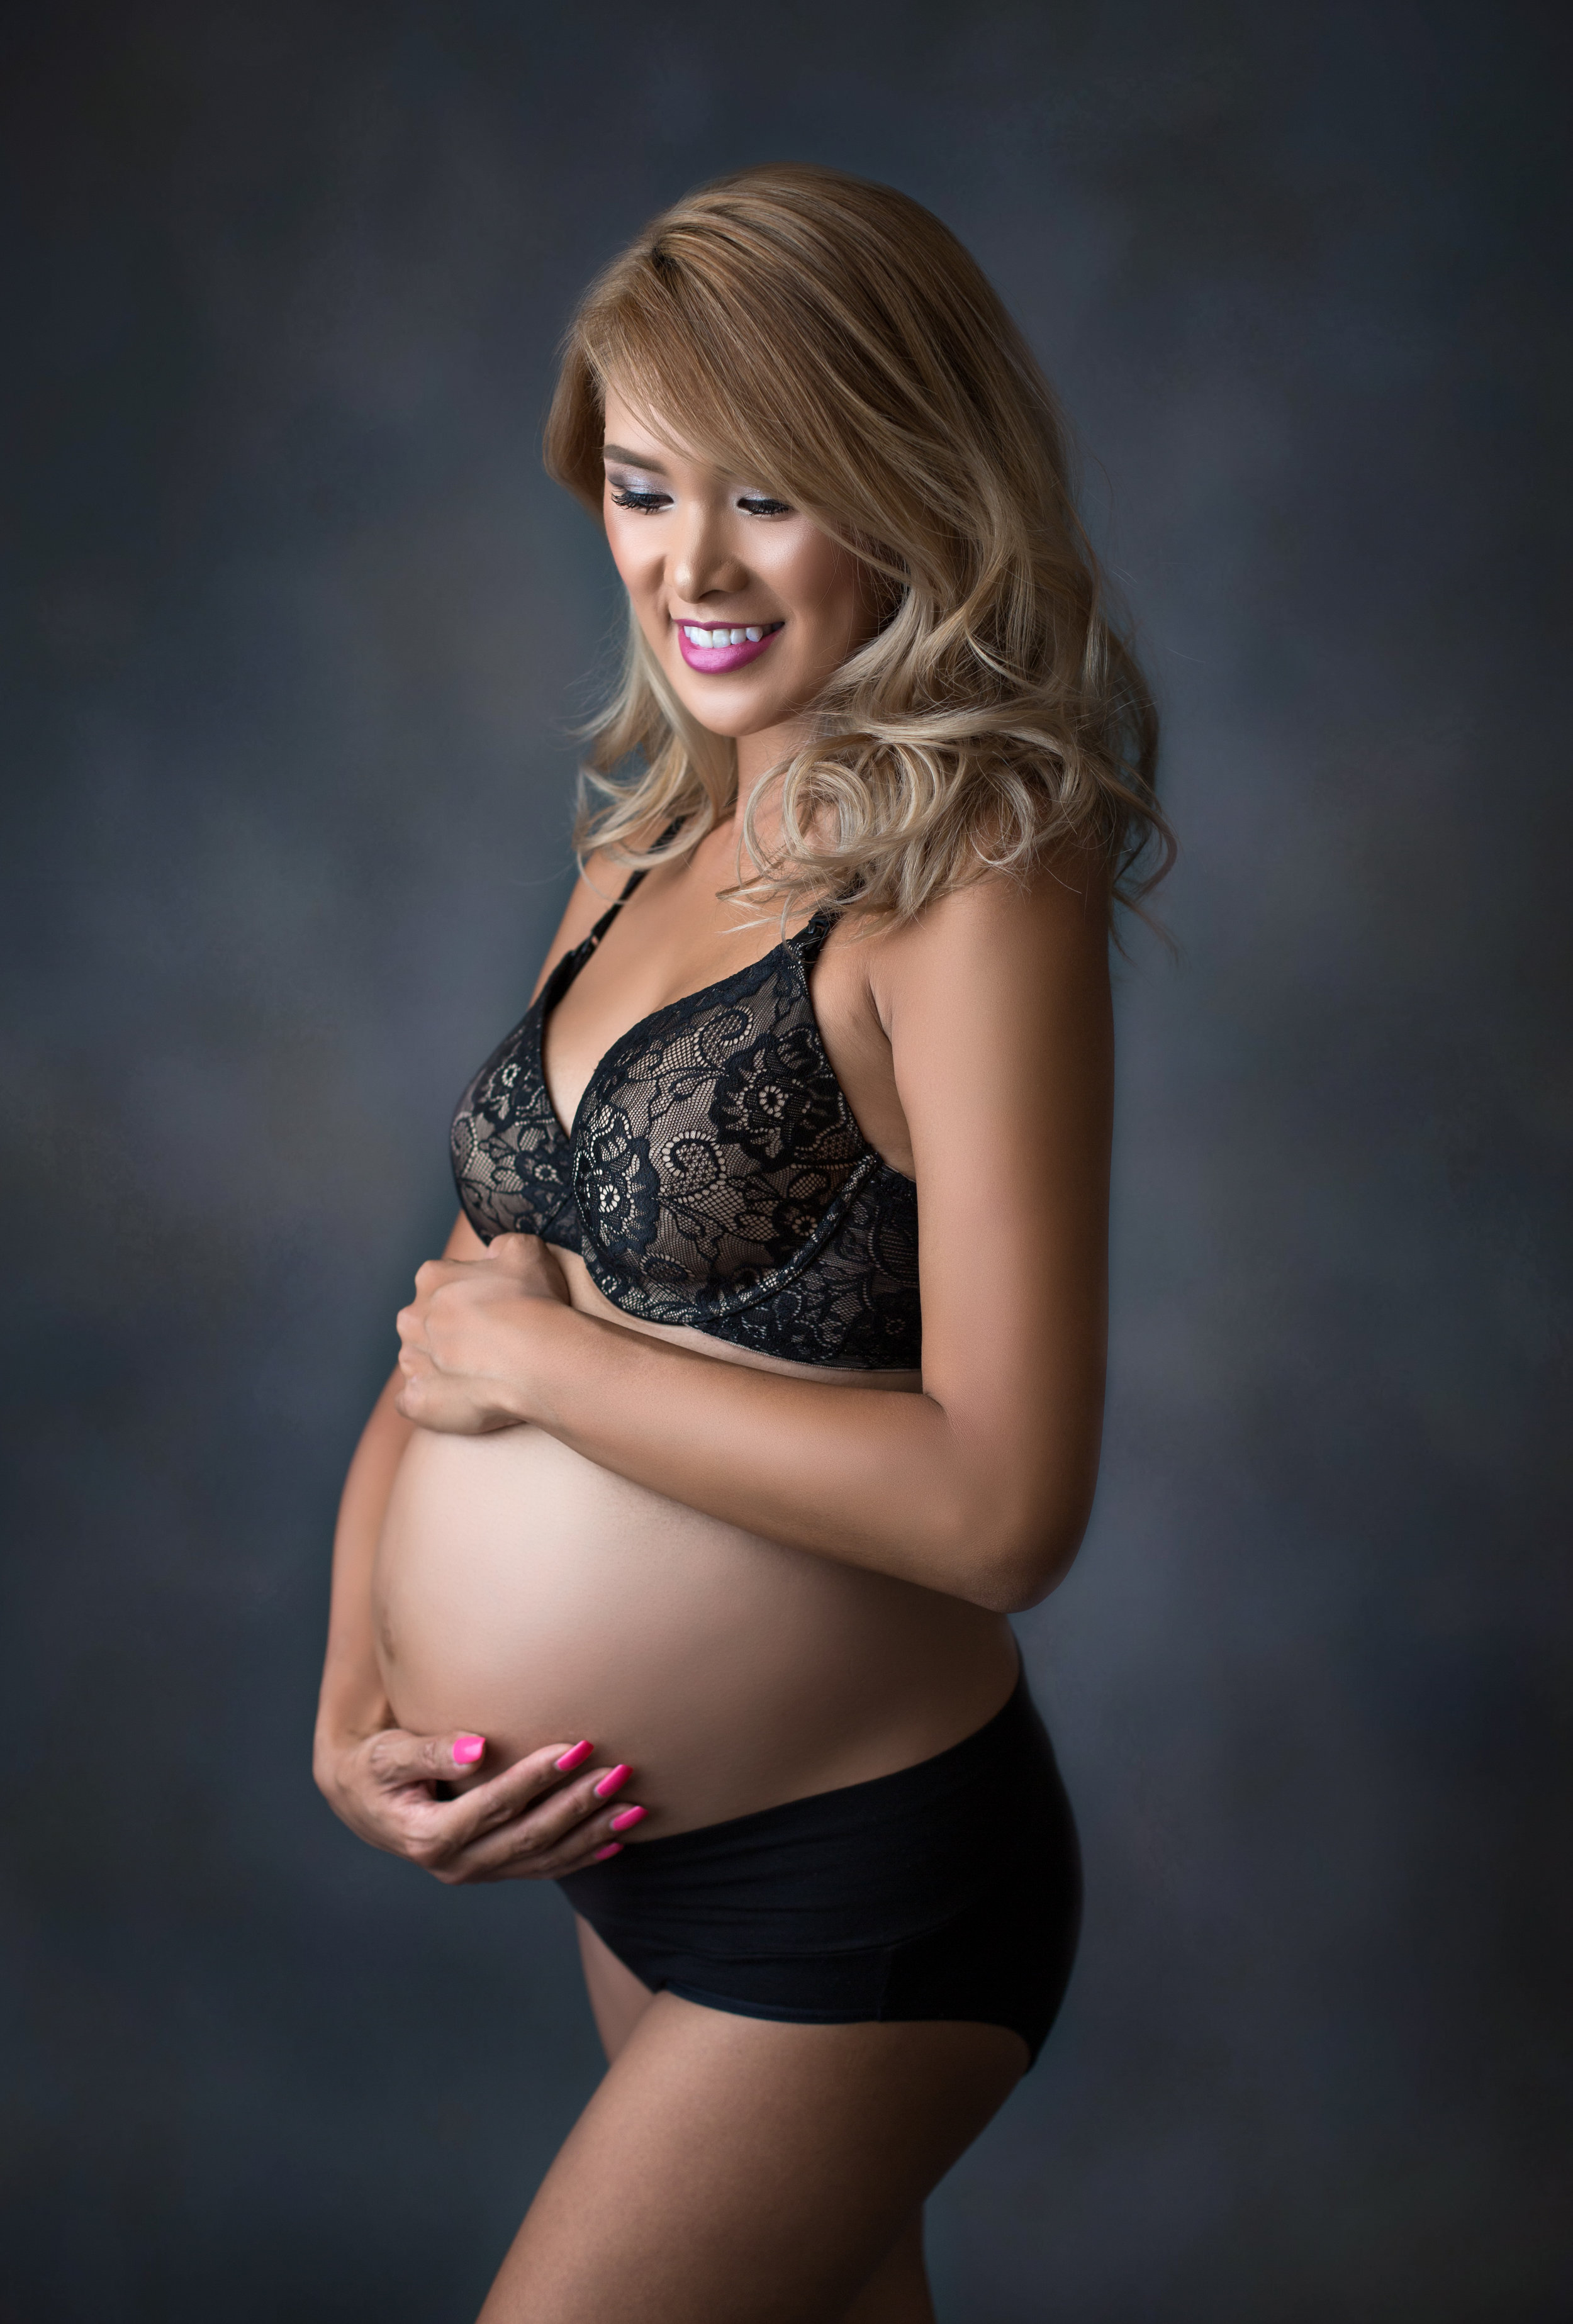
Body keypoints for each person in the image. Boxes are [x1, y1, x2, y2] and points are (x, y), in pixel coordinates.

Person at [313, 162, 1169, 2324]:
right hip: (629, 1863)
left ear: (908, 483)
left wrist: (559, 1373)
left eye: (768, 491)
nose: (688, 563)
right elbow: (449, 1329)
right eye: (638, 484)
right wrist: (353, 1703)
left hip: (859, 1880)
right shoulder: (641, 852)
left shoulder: (979, 884)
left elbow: (1000, 1507)